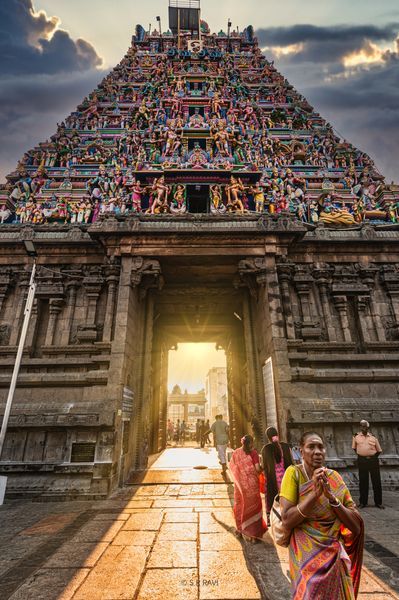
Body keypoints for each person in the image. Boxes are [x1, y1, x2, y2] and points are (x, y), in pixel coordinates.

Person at [280, 431, 364, 600]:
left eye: (320, 447)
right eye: (311, 447)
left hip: (333, 558)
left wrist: (332, 499)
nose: (317, 451)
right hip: (305, 558)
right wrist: (314, 495)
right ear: (301, 451)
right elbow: (287, 520)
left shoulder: (335, 478)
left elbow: (356, 526)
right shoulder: (293, 474)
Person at [229, 435, 267, 543]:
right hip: (251, 486)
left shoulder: (236, 453)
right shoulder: (253, 453)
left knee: (240, 505)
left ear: (242, 443)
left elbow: (232, 467)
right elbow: (257, 468)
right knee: (253, 507)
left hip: (240, 486)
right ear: (250, 443)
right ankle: (253, 535)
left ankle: (240, 529)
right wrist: (263, 467)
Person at [261, 426, 293, 525]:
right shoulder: (286, 446)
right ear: (277, 434)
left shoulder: (266, 449)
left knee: (271, 498)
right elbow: (292, 462)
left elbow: (263, 466)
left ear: (268, 437)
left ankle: (271, 519)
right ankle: (289, 517)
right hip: (287, 479)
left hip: (272, 481)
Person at [352, 420, 384, 509]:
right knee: (363, 482)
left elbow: (379, 450)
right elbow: (354, 448)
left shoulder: (373, 437)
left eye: (365, 426)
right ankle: (363, 502)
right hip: (362, 461)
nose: (364, 428)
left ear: (368, 427)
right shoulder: (356, 437)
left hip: (373, 461)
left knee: (376, 482)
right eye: (362, 426)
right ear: (360, 427)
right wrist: (363, 454)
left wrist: (372, 456)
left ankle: (378, 502)